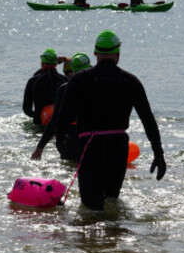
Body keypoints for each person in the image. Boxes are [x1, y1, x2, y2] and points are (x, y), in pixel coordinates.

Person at [55, 30, 166, 210]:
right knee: (111, 202)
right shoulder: (131, 81)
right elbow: (148, 120)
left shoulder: (79, 80)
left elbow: (63, 116)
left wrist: (60, 142)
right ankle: (113, 237)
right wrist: (158, 154)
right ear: (118, 53)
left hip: (90, 146)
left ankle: (90, 238)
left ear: (95, 53)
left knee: (91, 208)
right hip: (118, 147)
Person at [31, 52, 91, 162]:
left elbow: (54, 120)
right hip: (93, 142)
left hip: (70, 141)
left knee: (69, 172)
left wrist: (40, 147)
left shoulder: (65, 89)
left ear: (72, 70)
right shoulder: (98, 87)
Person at [24, 48, 66, 125]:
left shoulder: (33, 81)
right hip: (60, 123)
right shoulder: (64, 80)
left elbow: (26, 109)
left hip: (39, 122)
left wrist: (37, 115)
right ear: (56, 64)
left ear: (42, 63)